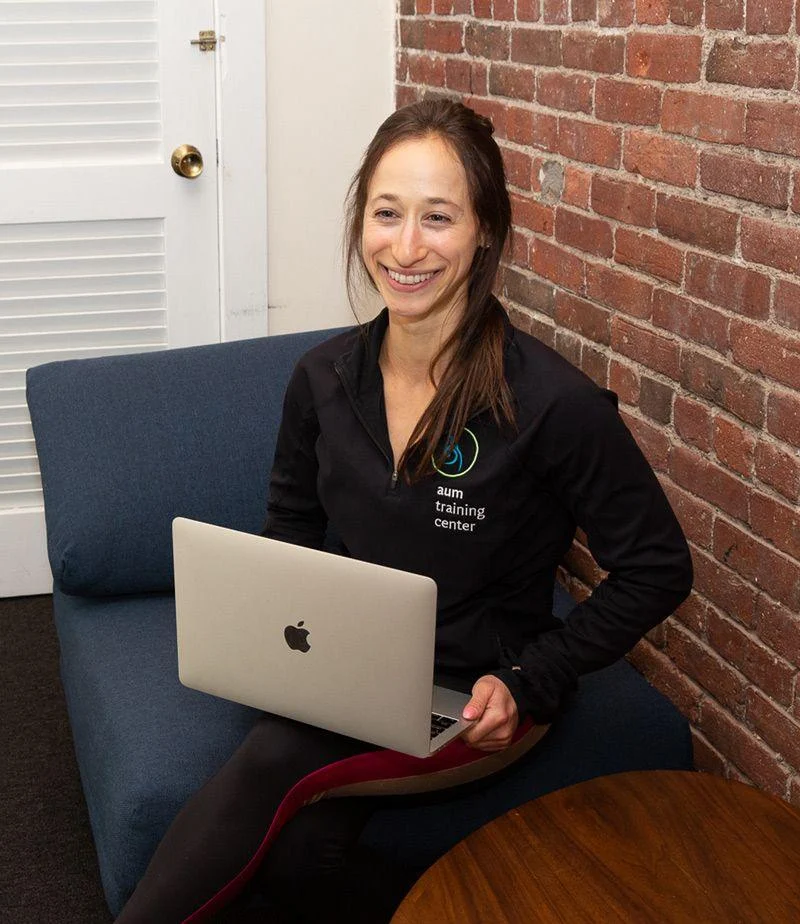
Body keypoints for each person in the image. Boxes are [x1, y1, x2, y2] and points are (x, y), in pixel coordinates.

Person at [116, 98, 692, 923]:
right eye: (387, 214)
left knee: (271, 761)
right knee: (298, 859)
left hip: (472, 699)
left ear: (485, 232)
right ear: (361, 221)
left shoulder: (553, 405)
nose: (407, 247)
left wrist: (532, 679)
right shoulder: (321, 379)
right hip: (343, 665)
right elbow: (291, 525)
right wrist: (278, 641)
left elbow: (659, 567)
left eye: (439, 218)